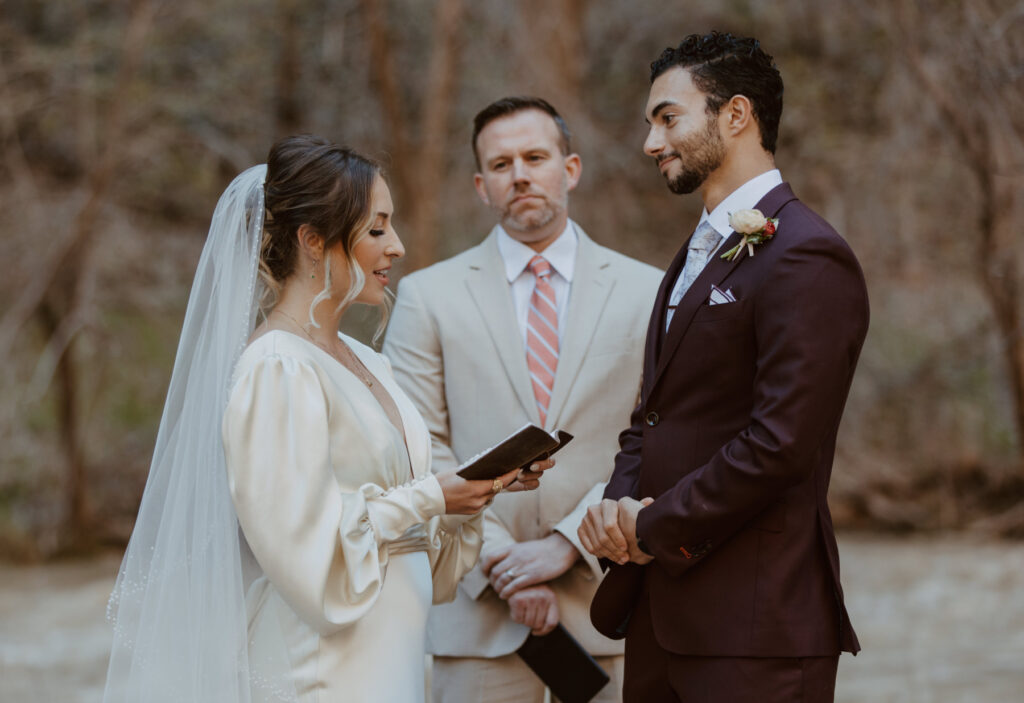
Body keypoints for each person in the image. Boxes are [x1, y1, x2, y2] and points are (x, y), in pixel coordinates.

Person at [102, 135, 551, 703]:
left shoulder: (367, 361)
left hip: (391, 652)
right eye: (378, 228)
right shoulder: (277, 369)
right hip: (323, 666)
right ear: (314, 241)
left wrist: (472, 493)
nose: (399, 247)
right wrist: (432, 497)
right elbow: (308, 557)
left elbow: (420, 554)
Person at [579, 32, 869, 702]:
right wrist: (614, 512)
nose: (652, 143)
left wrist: (653, 527)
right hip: (660, 618)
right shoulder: (693, 255)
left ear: (735, 115)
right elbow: (653, 415)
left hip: (755, 628)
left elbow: (780, 444)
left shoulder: (808, 254)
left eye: (668, 118)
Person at [383, 97, 661, 702]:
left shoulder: (648, 292)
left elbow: (660, 436)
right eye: (502, 163)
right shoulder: (428, 297)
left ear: (572, 168)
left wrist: (568, 544)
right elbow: (413, 444)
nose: (521, 174)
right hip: (477, 616)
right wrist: (505, 565)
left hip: (607, 607)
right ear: (483, 186)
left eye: (536, 156)